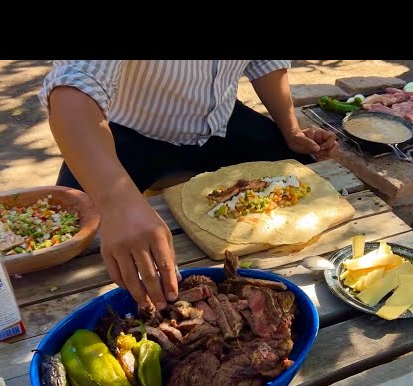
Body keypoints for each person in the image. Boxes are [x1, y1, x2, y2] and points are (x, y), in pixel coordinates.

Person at [39, 60, 339, 311]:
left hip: (220, 122)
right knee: (66, 239)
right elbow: (73, 87)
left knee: (301, 170)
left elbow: (265, 62)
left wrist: (291, 129)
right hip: (127, 135)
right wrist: (118, 203)